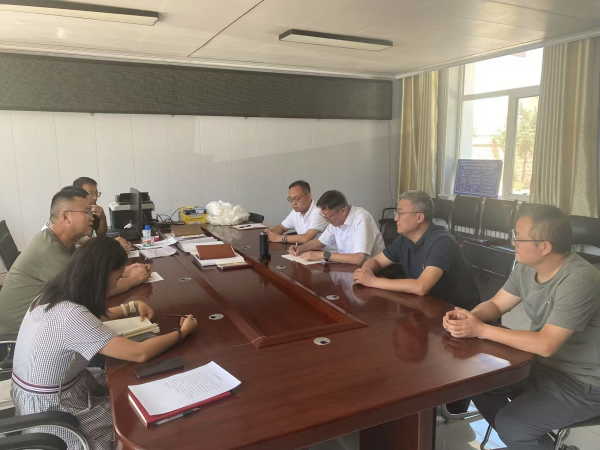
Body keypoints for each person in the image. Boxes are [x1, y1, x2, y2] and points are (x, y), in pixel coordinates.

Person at [11, 237, 198, 450]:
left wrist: (130, 307)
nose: (116, 284)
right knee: (137, 416)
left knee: (126, 386)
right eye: (117, 277)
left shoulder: (51, 296)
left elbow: (89, 320)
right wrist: (181, 333)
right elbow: (139, 353)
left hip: (40, 397)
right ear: (102, 276)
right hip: (55, 414)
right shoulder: (71, 316)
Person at [443, 205, 600, 449]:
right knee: (476, 382)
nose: (512, 241)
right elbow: (496, 304)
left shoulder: (579, 280)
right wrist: (469, 318)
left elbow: (546, 344)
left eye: (518, 236)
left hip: (584, 381)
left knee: (512, 426)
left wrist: (481, 329)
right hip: (542, 365)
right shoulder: (527, 267)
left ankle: (522, 438)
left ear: (544, 246)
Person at [0, 187, 149, 334]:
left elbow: (88, 274)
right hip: (16, 338)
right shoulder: (50, 249)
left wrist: (122, 272)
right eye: (86, 212)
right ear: (65, 217)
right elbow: (94, 291)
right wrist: (134, 280)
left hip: (43, 326)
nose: (92, 217)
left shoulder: (64, 243)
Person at [353, 190, 480, 311]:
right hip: (429, 306)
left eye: (400, 213)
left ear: (419, 217)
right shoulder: (403, 240)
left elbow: (421, 287)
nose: (396, 218)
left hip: (459, 313)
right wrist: (366, 271)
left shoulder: (442, 242)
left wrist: (373, 281)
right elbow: (377, 261)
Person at [289, 190, 384, 265]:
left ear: (343, 211)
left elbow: (359, 259)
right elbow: (320, 242)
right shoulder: (336, 221)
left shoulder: (361, 218)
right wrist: (300, 248)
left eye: (328, 216)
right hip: (347, 267)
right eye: (324, 216)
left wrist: (322, 255)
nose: (326, 220)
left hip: (371, 271)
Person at [267, 180, 327, 244]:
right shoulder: (295, 211)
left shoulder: (319, 211)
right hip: (305, 248)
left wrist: (279, 238)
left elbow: (306, 238)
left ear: (308, 197)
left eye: (296, 198)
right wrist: (270, 233)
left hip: (324, 250)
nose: (293, 203)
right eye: (291, 199)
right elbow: (282, 227)